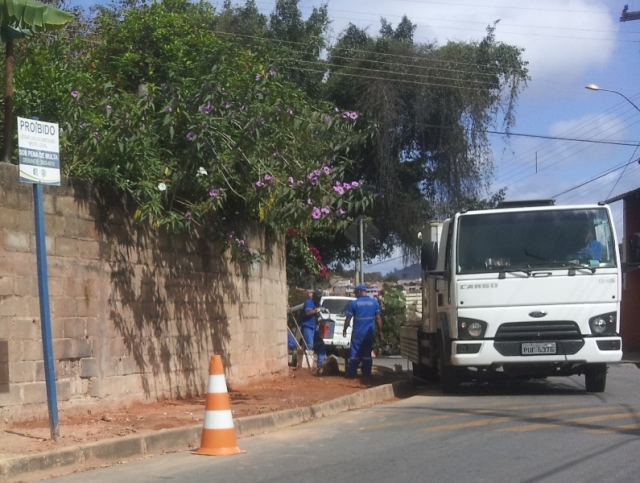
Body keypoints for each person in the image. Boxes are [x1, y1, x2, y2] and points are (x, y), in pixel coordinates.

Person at [342, 284, 383, 377]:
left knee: (354, 352)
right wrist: (380, 331)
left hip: (357, 332)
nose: (355, 295)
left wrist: (344, 329)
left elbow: (348, 318)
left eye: (356, 293)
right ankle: (366, 374)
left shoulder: (354, 303)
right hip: (369, 333)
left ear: (360, 292)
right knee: (367, 353)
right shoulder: (374, 303)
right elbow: (378, 318)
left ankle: (352, 373)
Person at [301, 288, 327, 367]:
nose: (319, 298)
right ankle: (307, 366)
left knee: (321, 345)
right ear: (314, 295)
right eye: (317, 297)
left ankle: (320, 365)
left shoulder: (318, 304)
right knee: (310, 345)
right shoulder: (309, 302)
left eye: (320, 297)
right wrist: (317, 310)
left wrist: (322, 322)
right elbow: (308, 312)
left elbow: (318, 317)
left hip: (315, 327)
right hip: (308, 327)